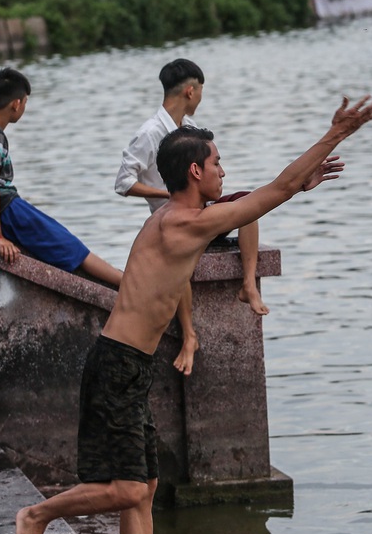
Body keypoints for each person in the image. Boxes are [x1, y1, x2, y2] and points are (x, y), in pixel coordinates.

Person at [15, 95, 372, 534]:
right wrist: (334, 134)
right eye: (216, 163)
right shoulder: (181, 224)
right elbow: (275, 189)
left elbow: (260, 198)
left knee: (144, 490)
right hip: (117, 364)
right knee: (126, 488)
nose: (222, 171)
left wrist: (296, 188)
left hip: (131, 364)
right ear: (194, 171)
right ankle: (37, 515)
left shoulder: (180, 217)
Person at [114, 58, 266, 375]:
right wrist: (166, 196)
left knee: (250, 204)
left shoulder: (187, 132)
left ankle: (248, 283)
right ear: (190, 90)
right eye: (200, 92)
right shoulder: (150, 132)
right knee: (180, 267)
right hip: (172, 222)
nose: (200, 99)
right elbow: (123, 182)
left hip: (199, 213)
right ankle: (189, 335)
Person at [0, 67, 122, 287]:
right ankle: (128, 285)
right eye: (25, 102)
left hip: (3, 207)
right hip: (7, 210)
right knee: (71, 247)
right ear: (16, 104)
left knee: (62, 237)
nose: (24, 108)